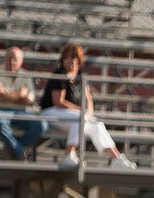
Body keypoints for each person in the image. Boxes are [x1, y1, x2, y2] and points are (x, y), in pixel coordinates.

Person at [39, 42, 136, 170]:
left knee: (97, 124)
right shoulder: (60, 74)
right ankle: (68, 154)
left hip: (73, 115)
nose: (70, 61)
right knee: (80, 118)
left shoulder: (81, 77)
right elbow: (59, 102)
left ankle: (116, 158)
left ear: (79, 61)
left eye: (73, 57)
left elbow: (88, 98)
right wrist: (81, 110)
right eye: (67, 57)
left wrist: (88, 111)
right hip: (51, 112)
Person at [0, 46, 48, 160]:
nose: (12, 62)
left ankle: (16, 149)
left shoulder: (26, 76)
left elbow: (30, 101)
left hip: (21, 112)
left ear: (21, 61)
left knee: (42, 125)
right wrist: (19, 94)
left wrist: (6, 94)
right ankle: (19, 152)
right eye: (9, 58)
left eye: (15, 59)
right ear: (4, 59)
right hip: (0, 111)